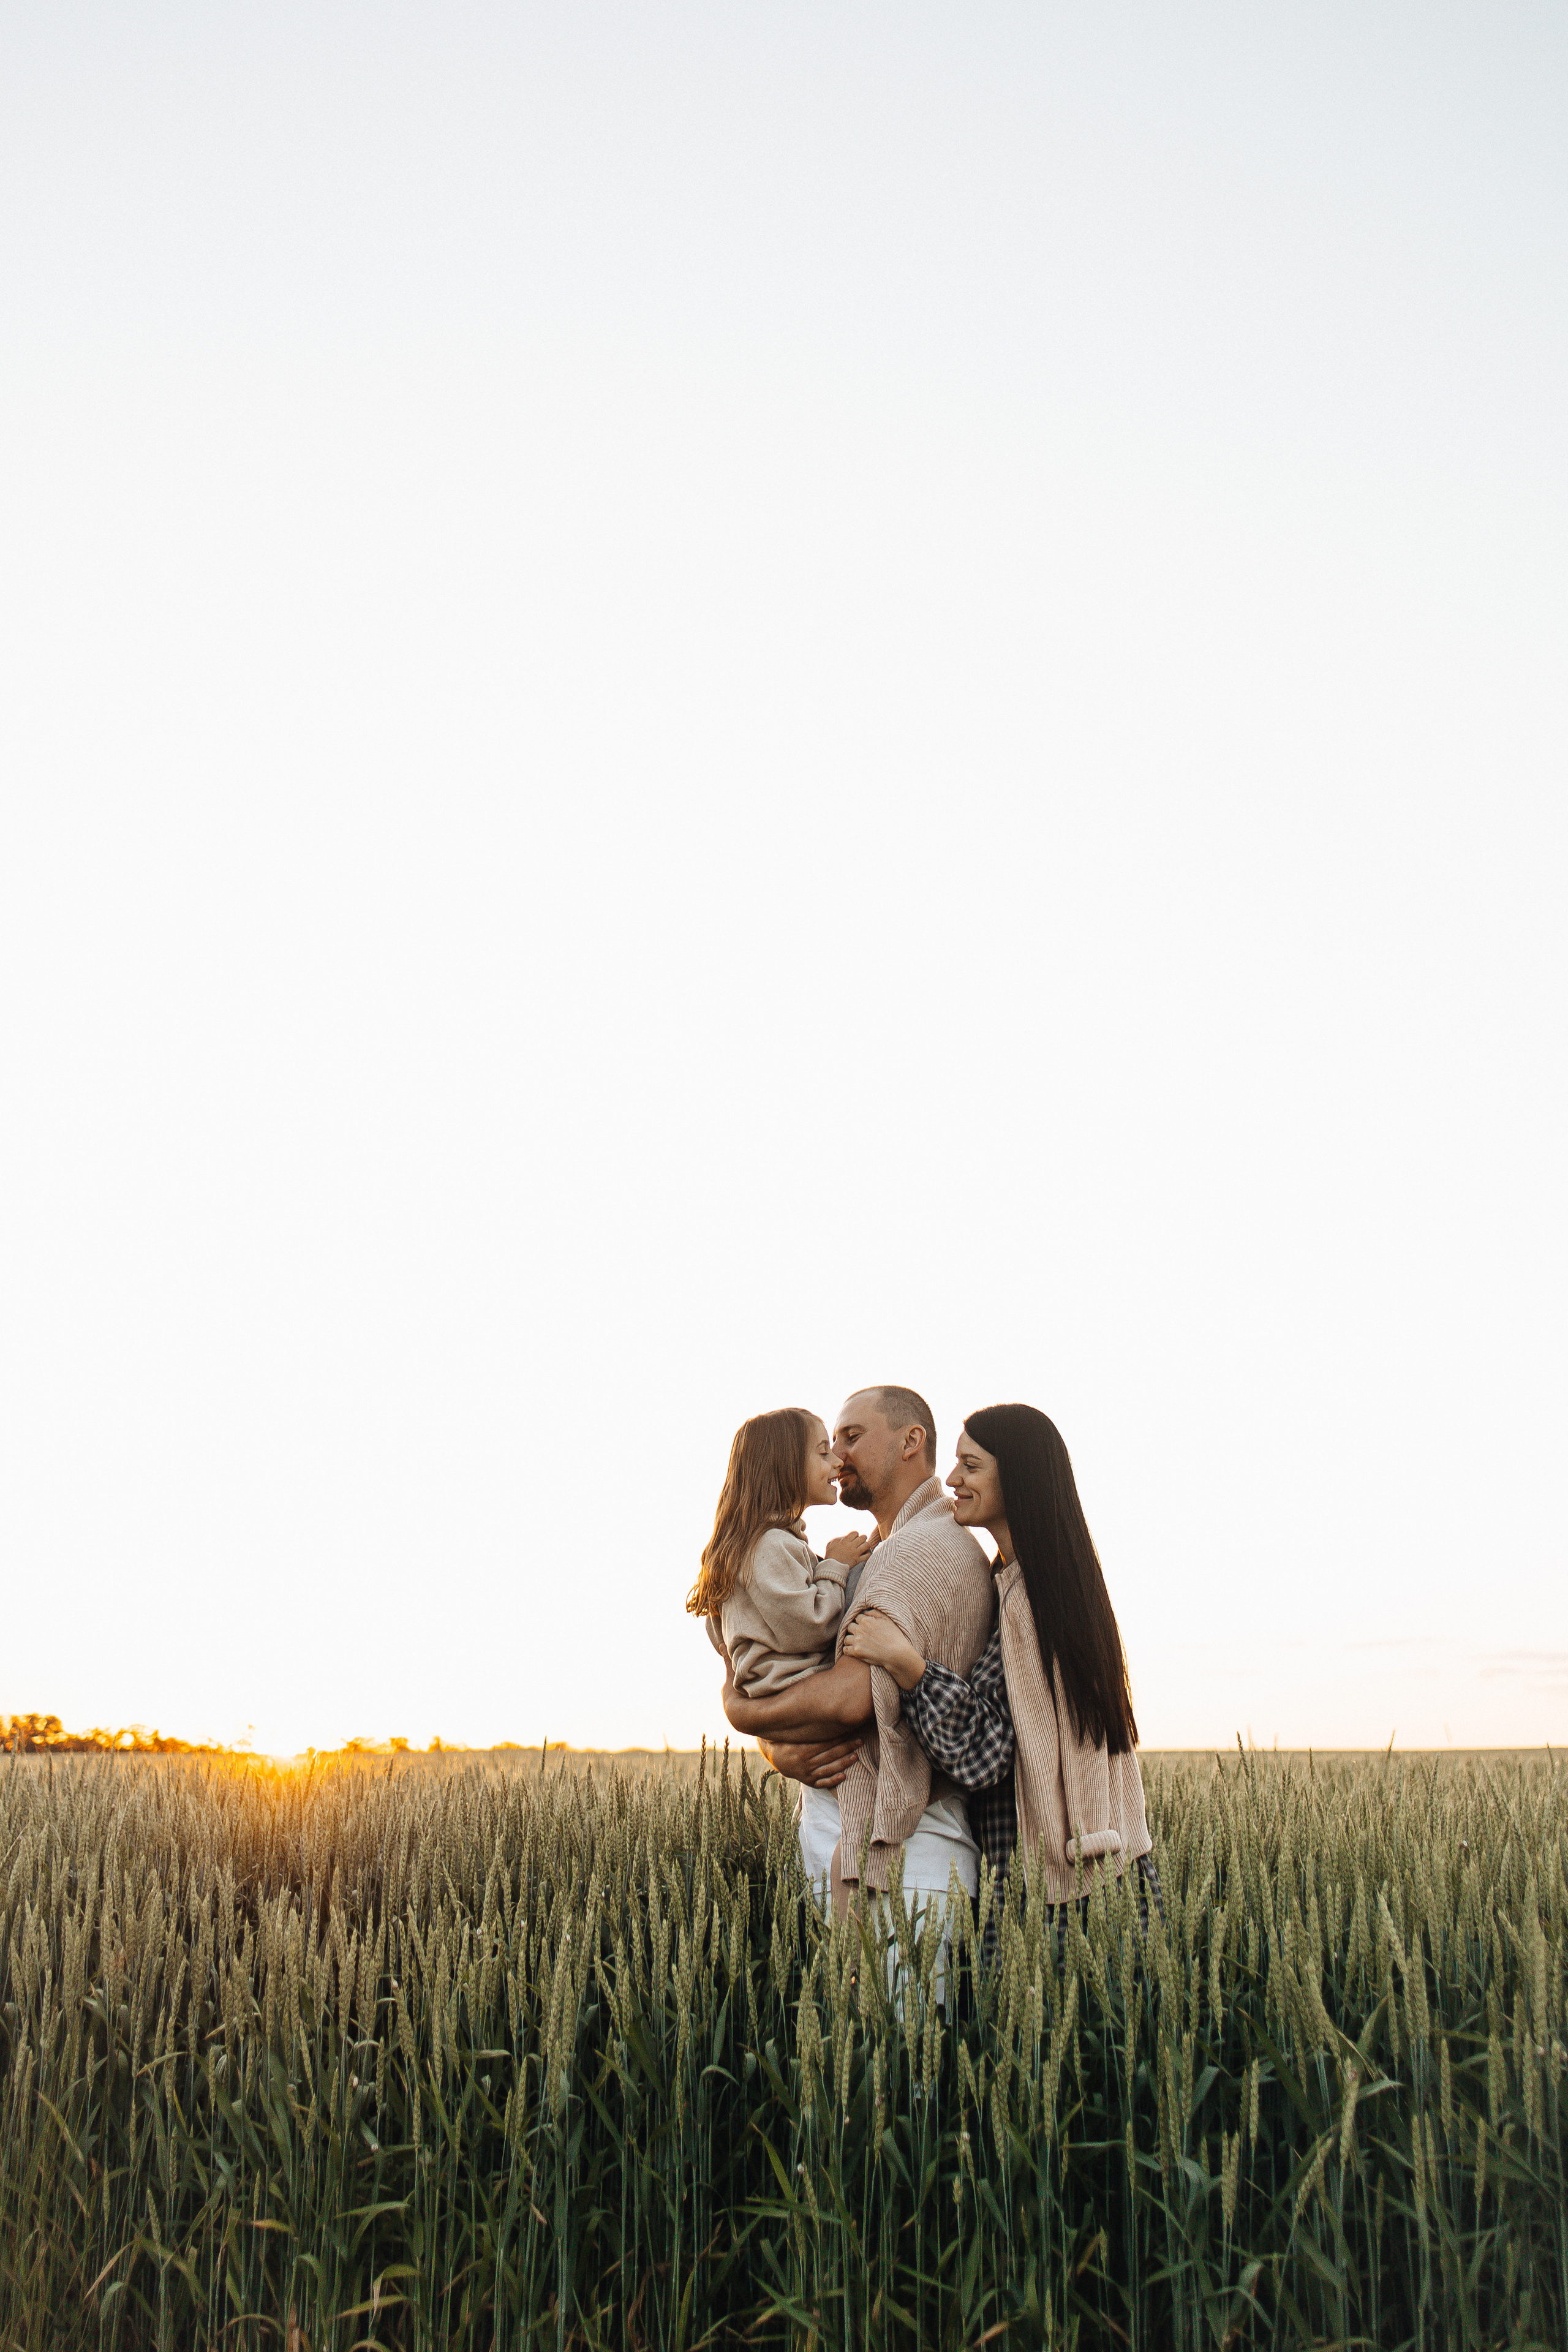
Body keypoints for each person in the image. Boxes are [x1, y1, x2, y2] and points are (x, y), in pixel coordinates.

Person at [844, 1403, 1160, 1942]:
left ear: (1016, 1477)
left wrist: (907, 1663)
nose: (951, 1479)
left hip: (1058, 1893)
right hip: (1092, 1869)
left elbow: (990, 1751)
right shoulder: (1046, 1581)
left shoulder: (1031, 1599)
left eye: (971, 1465)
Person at [721, 1385, 994, 1927]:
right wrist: (780, 1750)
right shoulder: (891, 1545)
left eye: (852, 1437)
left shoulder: (919, 1550)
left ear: (911, 1440)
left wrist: (745, 1714)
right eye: (831, 1442)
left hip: (904, 1857)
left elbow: (848, 1699)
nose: (839, 1456)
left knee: (893, 2011)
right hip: (878, 1845)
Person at [689, 1408, 872, 1893]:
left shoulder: (751, 1545)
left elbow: (725, 1642)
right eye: (821, 1452)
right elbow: (809, 1626)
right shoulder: (772, 1545)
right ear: (784, 1467)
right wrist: (834, 1567)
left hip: (774, 1693)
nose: (835, 1460)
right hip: (797, 1685)